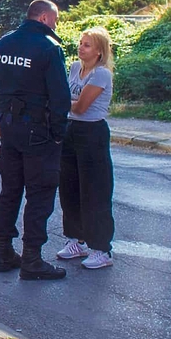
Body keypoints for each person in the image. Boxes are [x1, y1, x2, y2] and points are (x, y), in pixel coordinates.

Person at [0, 0, 72, 281]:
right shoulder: (49, 47)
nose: (55, 25)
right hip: (39, 135)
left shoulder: (2, 45)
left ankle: (4, 252)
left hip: (9, 132)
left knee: (10, 191)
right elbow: (60, 98)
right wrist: (57, 134)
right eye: (54, 20)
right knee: (39, 195)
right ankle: (32, 258)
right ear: (45, 17)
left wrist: (4, 117)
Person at [56, 26, 117, 270]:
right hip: (71, 130)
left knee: (95, 190)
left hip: (92, 133)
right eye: (81, 43)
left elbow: (81, 107)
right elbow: (71, 103)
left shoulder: (101, 74)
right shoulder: (74, 68)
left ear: (100, 52)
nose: (81, 48)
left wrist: (58, 102)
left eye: (88, 45)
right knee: (69, 187)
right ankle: (76, 239)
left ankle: (101, 248)